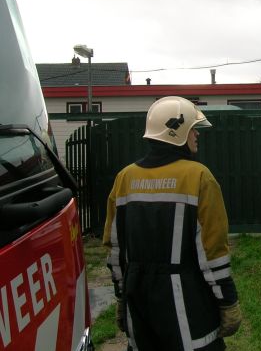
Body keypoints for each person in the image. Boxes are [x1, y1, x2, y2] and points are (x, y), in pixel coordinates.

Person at [103, 96, 241, 351]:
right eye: (192, 128)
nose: (197, 134)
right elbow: (212, 252)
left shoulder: (124, 178)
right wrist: (228, 301)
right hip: (188, 308)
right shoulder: (199, 177)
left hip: (139, 305)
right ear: (175, 131)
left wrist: (122, 296)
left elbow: (115, 249)